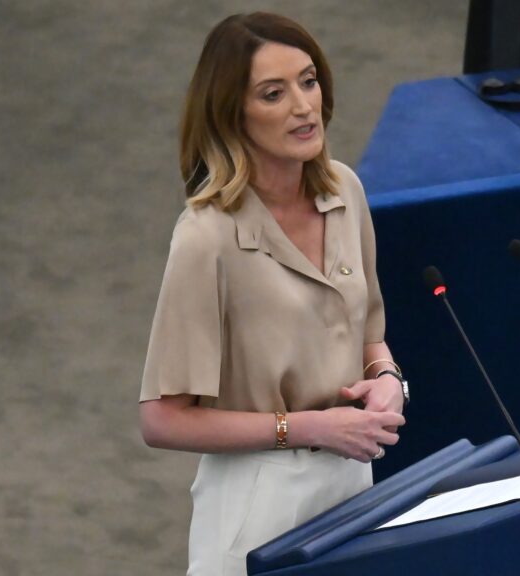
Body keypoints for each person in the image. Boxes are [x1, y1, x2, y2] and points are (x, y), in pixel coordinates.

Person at [138, 12, 407, 576]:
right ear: (232, 113)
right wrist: (306, 427)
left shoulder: (346, 192)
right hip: (258, 502)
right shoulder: (205, 238)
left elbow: (370, 336)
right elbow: (162, 420)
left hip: (352, 484)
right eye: (273, 93)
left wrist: (388, 381)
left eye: (308, 81)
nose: (304, 106)